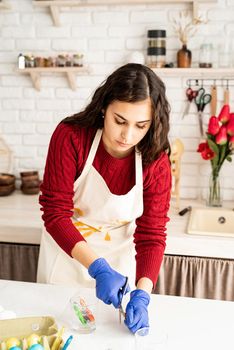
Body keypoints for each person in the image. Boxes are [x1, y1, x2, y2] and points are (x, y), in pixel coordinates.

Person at [37, 63, 171, 334]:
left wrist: (143, 294)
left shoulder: (155, 160)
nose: (128, 135)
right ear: (103, 108)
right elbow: (55, 213)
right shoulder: (71, 136)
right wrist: (97, 269)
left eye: (140, 125)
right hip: (68, 254)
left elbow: (151, 234)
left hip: (118, 266)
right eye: (119, 121)